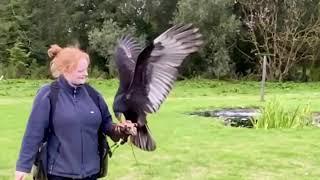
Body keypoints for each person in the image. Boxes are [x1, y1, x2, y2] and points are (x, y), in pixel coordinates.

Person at [15, 44, 136, 180]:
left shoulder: (93, 95)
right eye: (80, 71)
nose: (85, 74)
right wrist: (22, 167)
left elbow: (106, 124)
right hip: (58, 173)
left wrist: (121, 129)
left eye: (86, 70)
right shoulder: (49, 94)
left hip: (91, 172)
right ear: (66, 70)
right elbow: (34, 132)